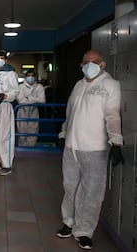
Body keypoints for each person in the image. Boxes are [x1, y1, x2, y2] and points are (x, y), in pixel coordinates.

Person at [57, 50, 124, 250]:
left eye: (94, 62)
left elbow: (113, 115)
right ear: (81, 65)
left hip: (94, 149)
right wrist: (63, 133)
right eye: (86, 62)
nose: (90, 65)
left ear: (102, 64)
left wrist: (116, 140)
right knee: (70, 187)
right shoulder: (78, 85)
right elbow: (70, 113)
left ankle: (84, 231)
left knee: (92, 191)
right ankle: (68, 221)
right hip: (72, 147)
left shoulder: (110, 85)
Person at [16, 70, 46, 147]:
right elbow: (21, 101)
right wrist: (35, 99)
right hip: (22, 112)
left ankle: (31, 149)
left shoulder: (39, 87)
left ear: (35, 77)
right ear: (25, 77)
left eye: (32, 76)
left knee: (33, 131)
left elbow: (42, 100)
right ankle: (22, 149)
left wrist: (28, 98)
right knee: (21, 132)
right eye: (28, 76)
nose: (30, 77)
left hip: (34, 112)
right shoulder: (20, 87)